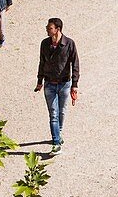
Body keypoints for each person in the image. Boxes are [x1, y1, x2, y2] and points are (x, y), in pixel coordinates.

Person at [35, 17, 80, 154]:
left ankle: (58, 134)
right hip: (49, 84)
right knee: (53, 114)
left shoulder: (69, 44)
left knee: (61, 112)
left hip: (64, 84)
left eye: (50, 28)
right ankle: (56, 142)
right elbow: (42, 62)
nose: (47, 30)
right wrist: (39, 81)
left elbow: (75, 64)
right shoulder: (44, 44)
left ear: (57, 29)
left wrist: (74, 84)